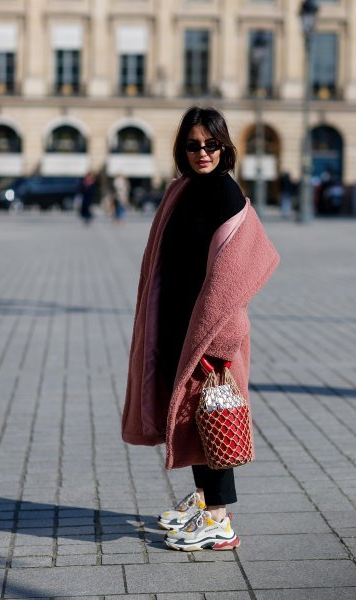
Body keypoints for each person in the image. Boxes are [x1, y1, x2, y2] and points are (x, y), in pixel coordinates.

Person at [121, 106, 280, 551]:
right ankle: (205, 500)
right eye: (193, 145)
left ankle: (219, 520)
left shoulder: (225, 195)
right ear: (182, 149)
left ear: (224, 146)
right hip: (177, 323)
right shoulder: (184, 190)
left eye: (211, 144)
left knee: (210, 413)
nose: (202, 152)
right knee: (193, 418)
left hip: (208, 334)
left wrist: (219, 343)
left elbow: (238, 275)